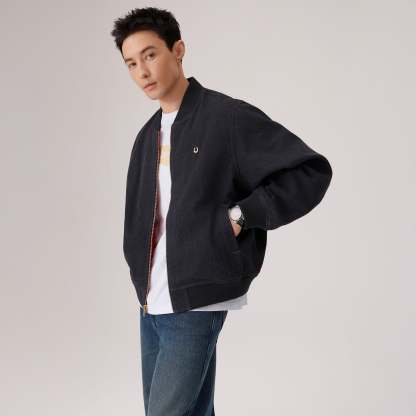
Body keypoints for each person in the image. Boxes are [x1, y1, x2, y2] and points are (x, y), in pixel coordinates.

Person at [111, 7, 332, 415]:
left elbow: (309, 172)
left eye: (150, 55)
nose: (142, 71)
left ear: (178, 50)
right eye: (131, 63)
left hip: (198, 299)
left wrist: (240, 216)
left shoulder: (225, 117)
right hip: (152, 304)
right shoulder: (147, 137)